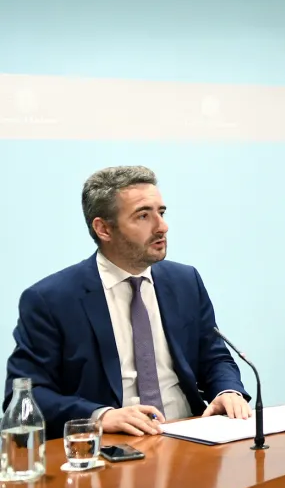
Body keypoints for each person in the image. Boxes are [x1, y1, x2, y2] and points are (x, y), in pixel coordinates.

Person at [3, 166, 251, 438]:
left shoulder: (185, 281)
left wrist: (228, 391)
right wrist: (101, 415)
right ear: (104, 229)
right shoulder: (50, 300)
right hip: (112, 446)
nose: (162, 227)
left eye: (162, 212)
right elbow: (28, 394)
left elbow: (214, 356)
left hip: (190, 436)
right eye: (143, 216)